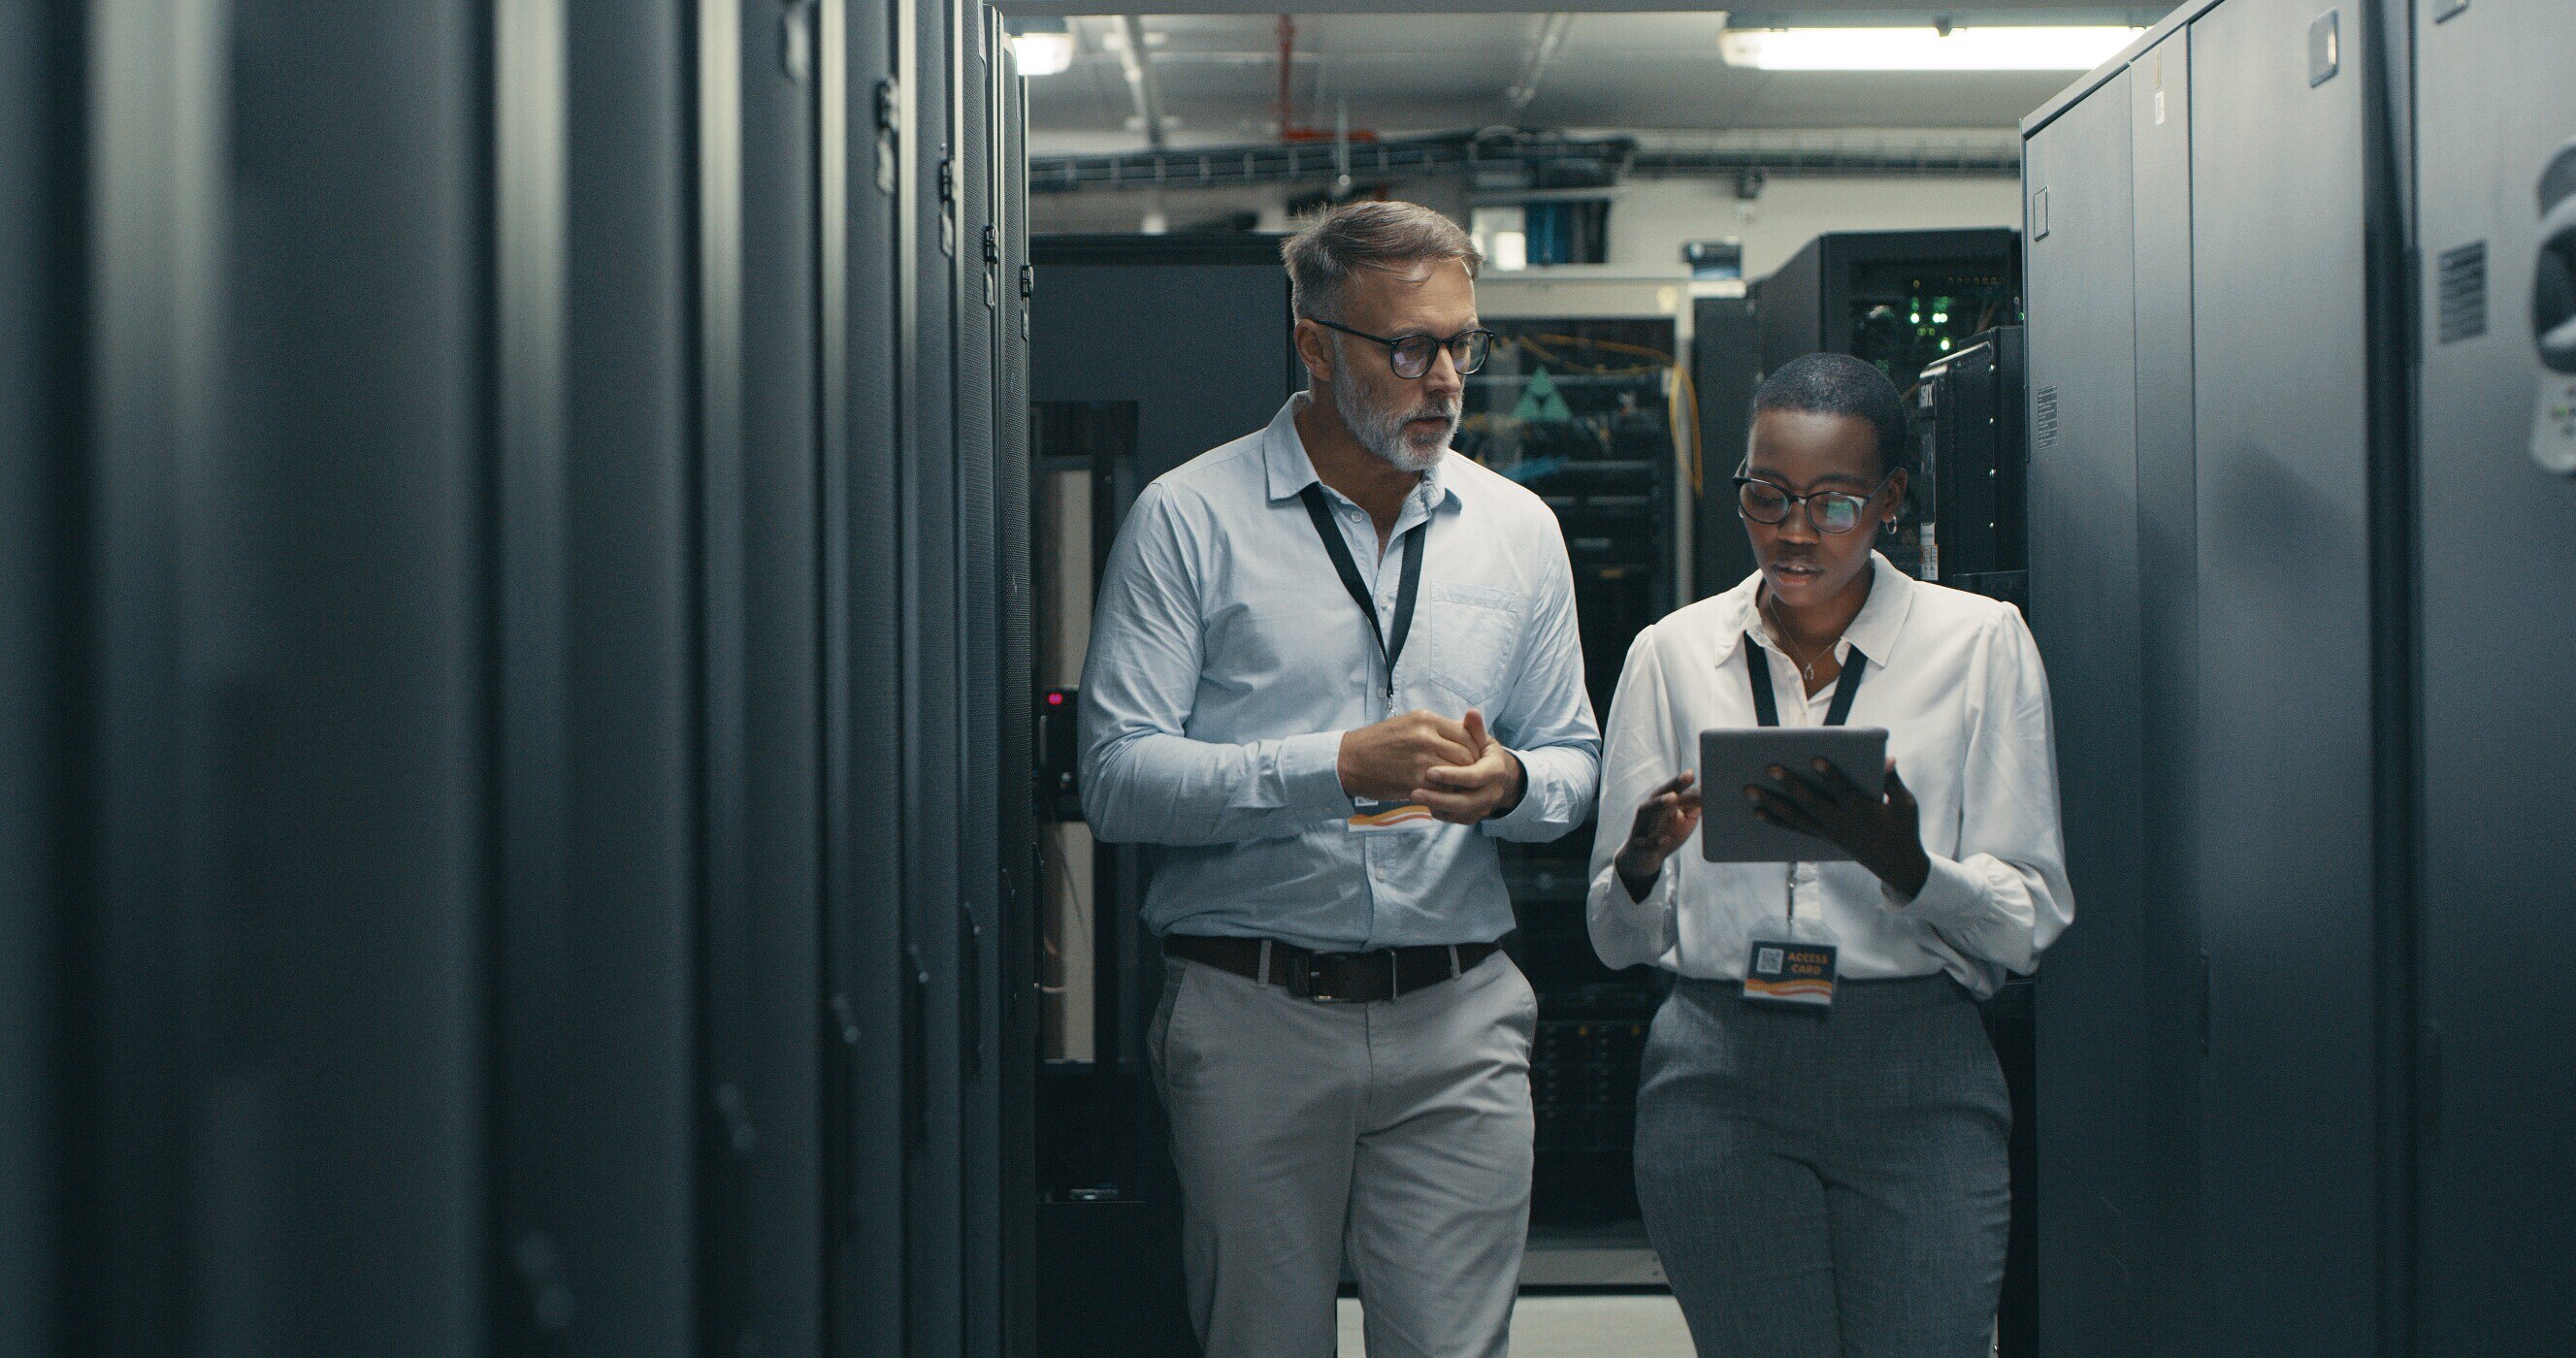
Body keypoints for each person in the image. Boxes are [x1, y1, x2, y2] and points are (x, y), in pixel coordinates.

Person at [1079, 201, 1601, 1358]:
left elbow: (1576, 760)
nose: (1446, 378)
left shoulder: (1519, 531)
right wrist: (1333, 770)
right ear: (1314, 344)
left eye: (1463, 343)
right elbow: (1116, 776)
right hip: (1255, 1013)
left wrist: (1511, 782)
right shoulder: (1191, 518)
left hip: (1459, 1016)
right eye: (1408, 346)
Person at [1586, 352, 2073, 1357]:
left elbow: (2028, 923)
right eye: (1767, 495)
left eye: (1835, 501)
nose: (1795, 530)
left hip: (1916, 1070)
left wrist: (1908, 864)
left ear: (1893, 498)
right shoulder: (1673, 653)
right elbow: (1615, 937)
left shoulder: (1981, 643)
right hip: (1719, 1066)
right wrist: (1638, 865)